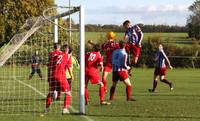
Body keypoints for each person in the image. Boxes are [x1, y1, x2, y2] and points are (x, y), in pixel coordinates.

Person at [45, 44, 71, 114]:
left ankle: (46, 109)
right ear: (67, 50)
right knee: (68, 92)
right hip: (60, 76)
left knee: (50, 92)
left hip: (52, 76)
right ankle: (65, 109)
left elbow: (49, 66)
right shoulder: (67, 56)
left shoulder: (53, 56)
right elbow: (68, 66)